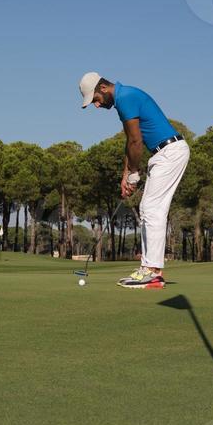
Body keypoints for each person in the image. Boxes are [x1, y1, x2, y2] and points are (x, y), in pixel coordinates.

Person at [79, 72, 189, 289]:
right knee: (148, 208)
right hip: (163, 153)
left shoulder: (125, 98)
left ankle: (153, 273)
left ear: (103, 88)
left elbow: (137, 142)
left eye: (95, 100)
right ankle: (148, 269)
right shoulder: (124, 97)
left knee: (151, 208)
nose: (97, 106)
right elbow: (130, 141)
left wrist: (134, 172)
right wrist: (125, 173)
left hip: (170, 152)